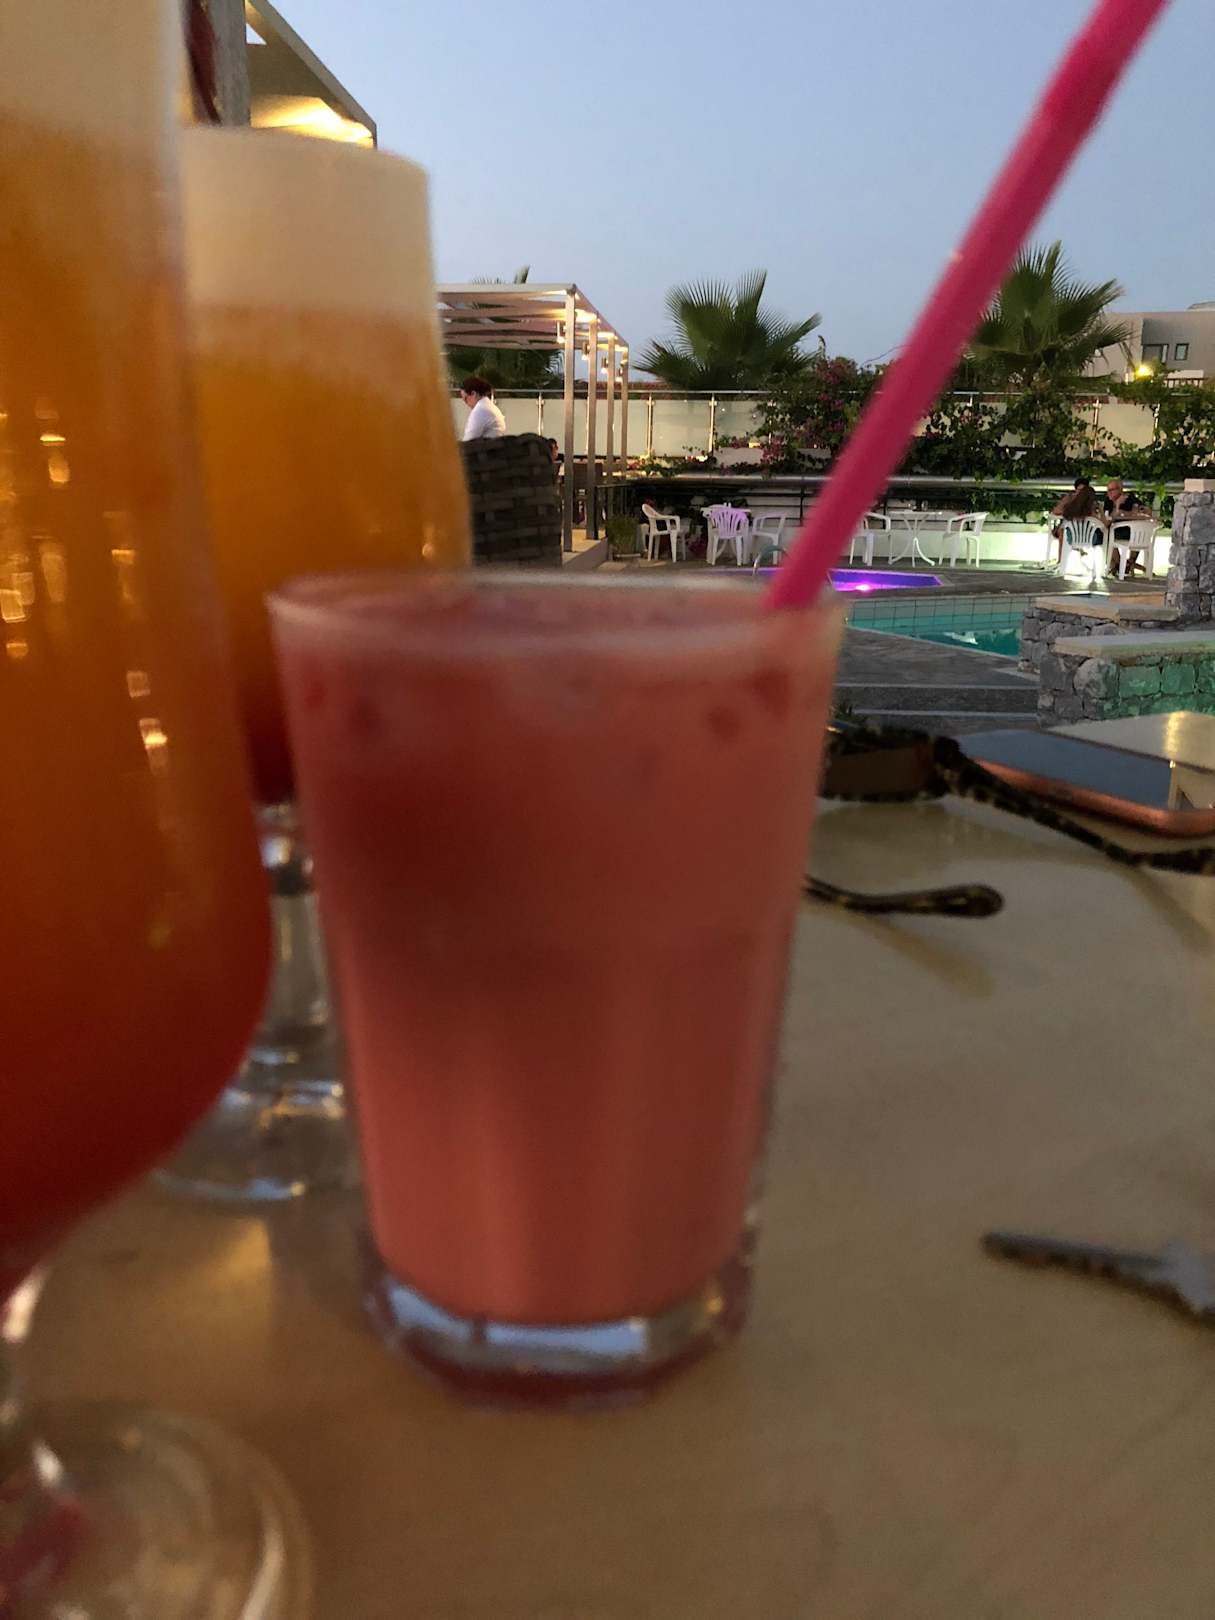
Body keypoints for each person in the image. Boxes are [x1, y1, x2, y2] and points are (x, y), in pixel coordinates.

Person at [1102, 476, 1152, 578]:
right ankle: (1121, 564)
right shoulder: (1108, 501)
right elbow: (1108, 518)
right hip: (1117, 530)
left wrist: (1124, 512)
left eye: (1111, 490)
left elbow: (1146, 512)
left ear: (1120, 489)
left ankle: (1127, 563)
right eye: (1108, 490)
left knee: (1138, 533)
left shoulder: (1129, 499)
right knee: (1105, 533)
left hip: (1131, 532)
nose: (1109, 493)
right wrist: (1117, 507)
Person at [1048, 476, 1100, 567]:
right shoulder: (1069, 498)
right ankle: (1061, 561)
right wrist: (1070, 510)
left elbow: (1096, 517)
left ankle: (1063, 561)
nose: (1080, 493)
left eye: (1083, 491)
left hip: (1085, 531)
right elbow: (1056, 511)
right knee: (1063, 531)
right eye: (1079, 490)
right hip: (1069, 529)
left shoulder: (1090, 502)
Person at [459, 376, 506, 442]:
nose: (465, 403)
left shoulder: (480, 410)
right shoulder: (489, 406)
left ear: (473, 394)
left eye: (465, 399)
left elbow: (468, 441)